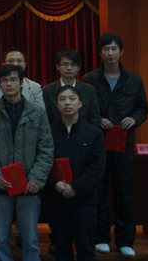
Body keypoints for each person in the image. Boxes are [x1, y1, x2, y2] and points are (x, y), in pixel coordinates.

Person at [81, 33, 148, 257]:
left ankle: (125, 240)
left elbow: (143, 108)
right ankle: (101, 237)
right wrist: (97, 119)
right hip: (97, 142)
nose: (110, 53)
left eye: (114, 49)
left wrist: (135, 119)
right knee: (98, 190)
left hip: (124, 142)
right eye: (106, 49)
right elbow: (82, 109)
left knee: (124, 191)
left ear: (121, 52)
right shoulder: (89, 79)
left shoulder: (134, 80)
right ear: (100, 53)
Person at [0, 64, 54, 261]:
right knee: (0, 239)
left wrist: (36, 178)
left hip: (29, 185)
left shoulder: (37, 112)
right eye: (4, 80)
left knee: (31, 240)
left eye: (13, 79)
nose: (9, 84)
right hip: (1, 185)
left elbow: (46, 149)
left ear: (21, 83)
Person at [46, 86, 106, 261]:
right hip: (57, 198)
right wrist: (55, 183)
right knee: (62, 248)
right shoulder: (48, 132)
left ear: (80, 103)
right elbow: (42, 162)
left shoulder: (94, 133)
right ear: (57, 104)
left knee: (86, 247)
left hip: (85, 199)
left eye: (72, 99)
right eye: (62, 99)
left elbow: (97, 166)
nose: (67, 103)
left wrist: (75, 187)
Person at [42, 49, 101, 127]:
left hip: (84, 133)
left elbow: (95, 119)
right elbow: (45, 119)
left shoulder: (89, 90)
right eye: (65, 64)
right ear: (58, 67)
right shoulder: (47, 90)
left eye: (73, 64)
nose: (69, 68)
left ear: (78, 67)